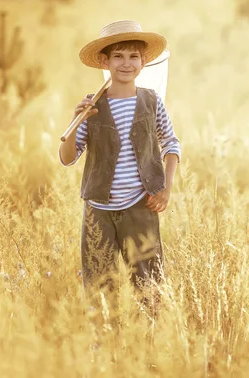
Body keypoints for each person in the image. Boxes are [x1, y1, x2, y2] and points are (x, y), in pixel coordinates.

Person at [58, 20, 181, 311]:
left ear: (143, 62)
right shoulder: (93, 105)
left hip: (141, 206)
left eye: (133, 57)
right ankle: (105, 346)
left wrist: (166, 187)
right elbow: (67, 157)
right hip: (98, 209)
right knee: (99, 286)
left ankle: (147, 346)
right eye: (118, 56)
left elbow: (172, 144)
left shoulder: (151, 102)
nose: (126, 63)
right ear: (105, 61)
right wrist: (76, 122)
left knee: (148, 284)